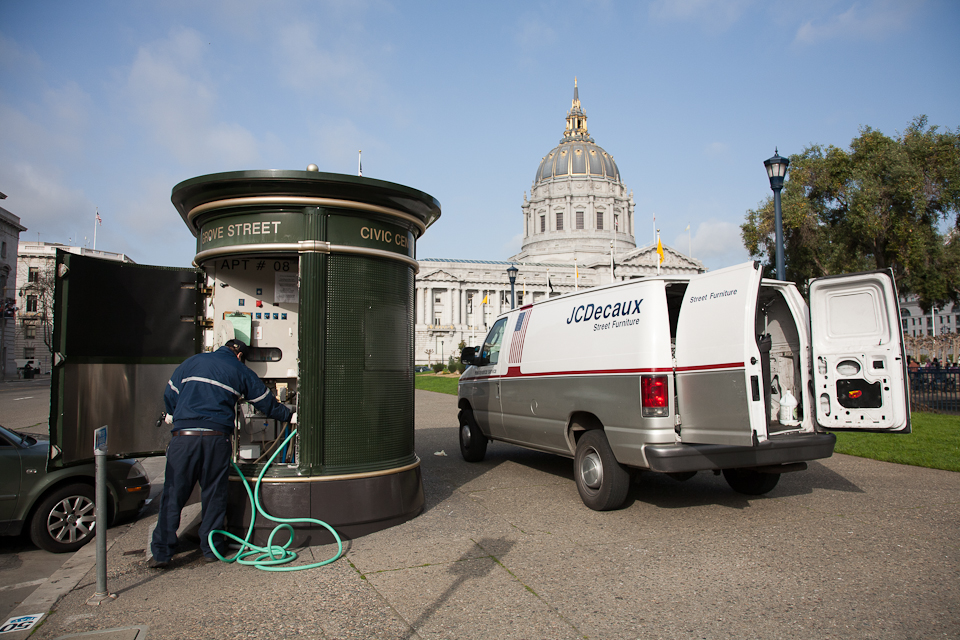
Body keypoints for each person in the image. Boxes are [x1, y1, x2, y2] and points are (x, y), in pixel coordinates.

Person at [149, 339, 293, 568]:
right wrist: (289, 415)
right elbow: (265, 403)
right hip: (215, 439)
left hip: (183, 438)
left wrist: (178, 415)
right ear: (240, 356)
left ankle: (161, 553)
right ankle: (211, 548)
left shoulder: (191, 362)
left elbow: (170, 394)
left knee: (173, 494)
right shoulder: (239, 370)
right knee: (214, 494)